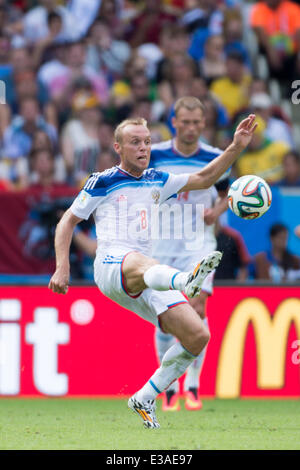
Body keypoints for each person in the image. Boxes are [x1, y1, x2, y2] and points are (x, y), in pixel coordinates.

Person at [48, 114, 257, 429]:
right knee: (143, 261)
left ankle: (145, 397)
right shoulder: (102, 180)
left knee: (198, 335)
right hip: (111, 264)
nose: (143, 147)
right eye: (135, 142)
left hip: (147, 274)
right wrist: (61, 267)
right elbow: (67, 221)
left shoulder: (158, 178)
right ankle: (187, 280)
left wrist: (236, 147)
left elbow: (205, 177)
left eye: (146, 141)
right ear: (118, 147)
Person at [150, 96, 230, 411]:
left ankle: (193, 385)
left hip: (199, 245)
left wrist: (218, 211)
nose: (192, 128)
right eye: (186, 121)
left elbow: (228, 194)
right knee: (166, 319)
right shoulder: (154, 155)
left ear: (203, 124)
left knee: (197, 308)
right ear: (174, 122)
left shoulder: (215, 156)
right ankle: (168, 386)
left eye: (197, 122)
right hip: (161, 246)